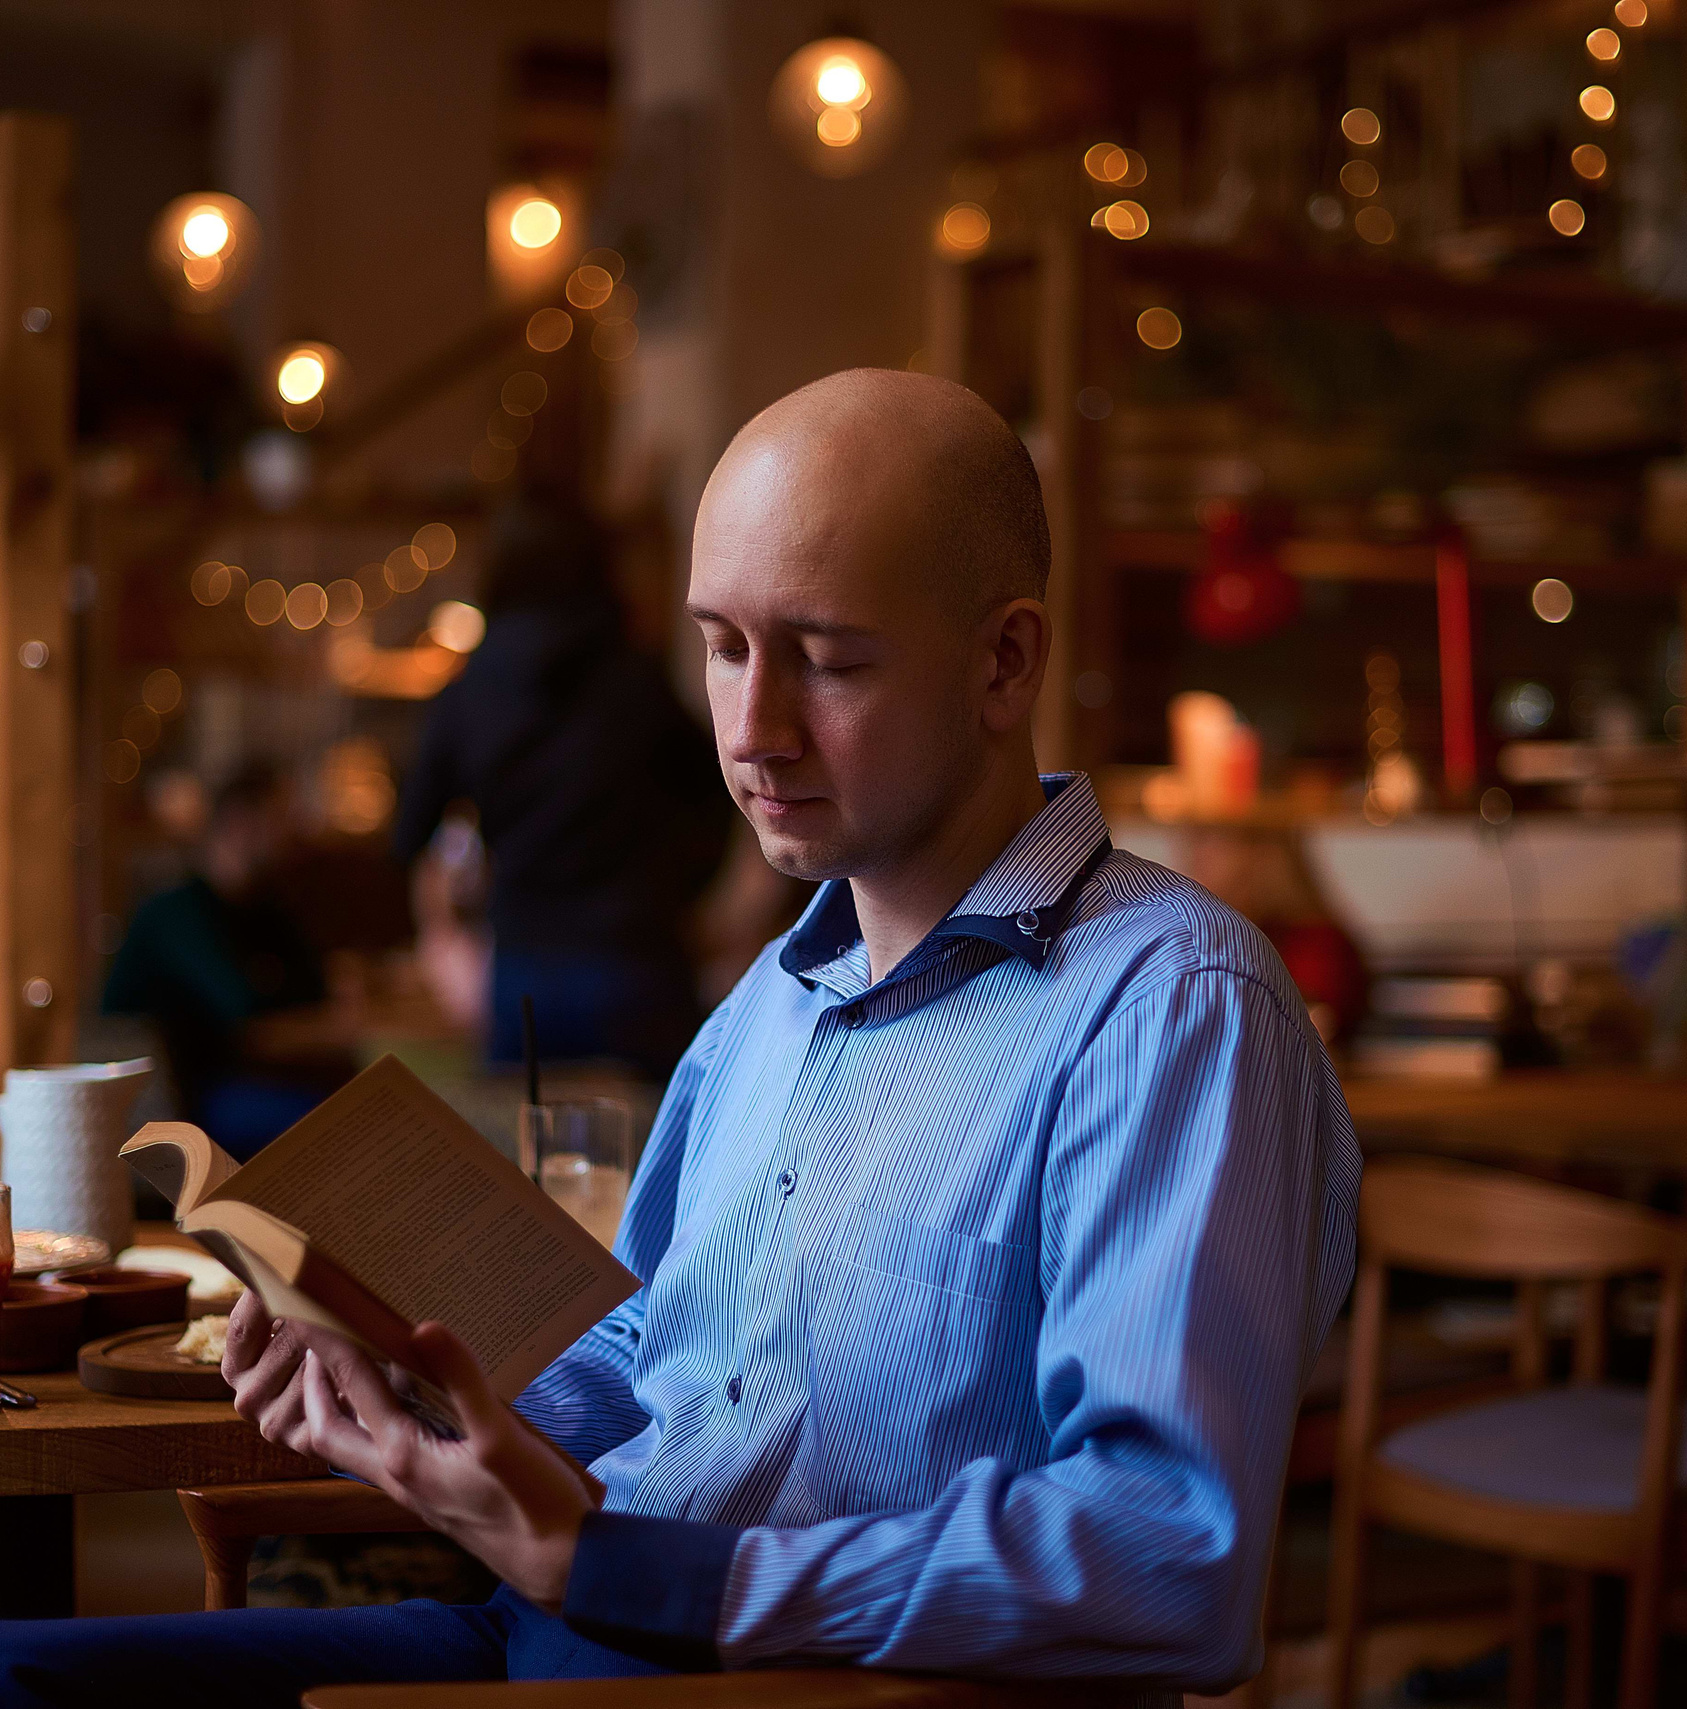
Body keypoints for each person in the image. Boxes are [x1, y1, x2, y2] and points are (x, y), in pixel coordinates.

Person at [2, 371, 1359, 1704]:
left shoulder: (1170, 1005)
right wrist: (407, 1392)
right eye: (723, 646)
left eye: (827, 659)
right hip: (558, 1633)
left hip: (738, 1678)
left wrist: (644, 1575)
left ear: (1005, 660)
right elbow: (651, 1362)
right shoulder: (775, 994)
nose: (754, 730)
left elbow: (1172, 1557)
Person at [392, 495, 732, 1080]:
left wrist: (446, 934)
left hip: (524, 966)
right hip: (637, 958)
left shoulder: (472, 689)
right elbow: (721, 795)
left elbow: (408, 833)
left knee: (522, 1157)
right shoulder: (636, 678)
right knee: (658, 1156)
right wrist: (681, 895)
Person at [101, 764, 351, 1161]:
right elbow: (247, 1025)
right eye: (283, 816)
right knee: (338, 1124)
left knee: (360, 1108)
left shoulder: (268, 909)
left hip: (249, 1082)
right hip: (180, 1105)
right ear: (239, 821)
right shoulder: (177, 913)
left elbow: (319, 994)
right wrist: (336, 1027)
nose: (297, 829)